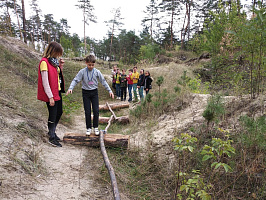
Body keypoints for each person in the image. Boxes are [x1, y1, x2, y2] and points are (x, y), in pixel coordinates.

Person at [66, 55, 114, 136]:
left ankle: (95, 127)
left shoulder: (97, 72)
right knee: (87, 111)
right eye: (89, 65)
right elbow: (76, 80)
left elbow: (103, 81)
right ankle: (88, 128)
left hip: (94, 92)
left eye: (92, 65)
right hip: (86, 93)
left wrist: (109, 90)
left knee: (96, 110)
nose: (91, 66)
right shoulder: (82, 72)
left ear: (94, 64)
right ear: (86, 63)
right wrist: (71, 88)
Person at [37, 41, 65, 147]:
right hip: (51, 93)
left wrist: (61, 66)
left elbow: (57, 75)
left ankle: (52, 131)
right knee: (53, 115)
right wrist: (50, 97)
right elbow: (45, 82)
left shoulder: (54, 62)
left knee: (59, 112)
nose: (58, 55)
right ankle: (52, 137)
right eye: (57, 53)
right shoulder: (44, 62)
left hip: (57, 91)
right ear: (53, 51)